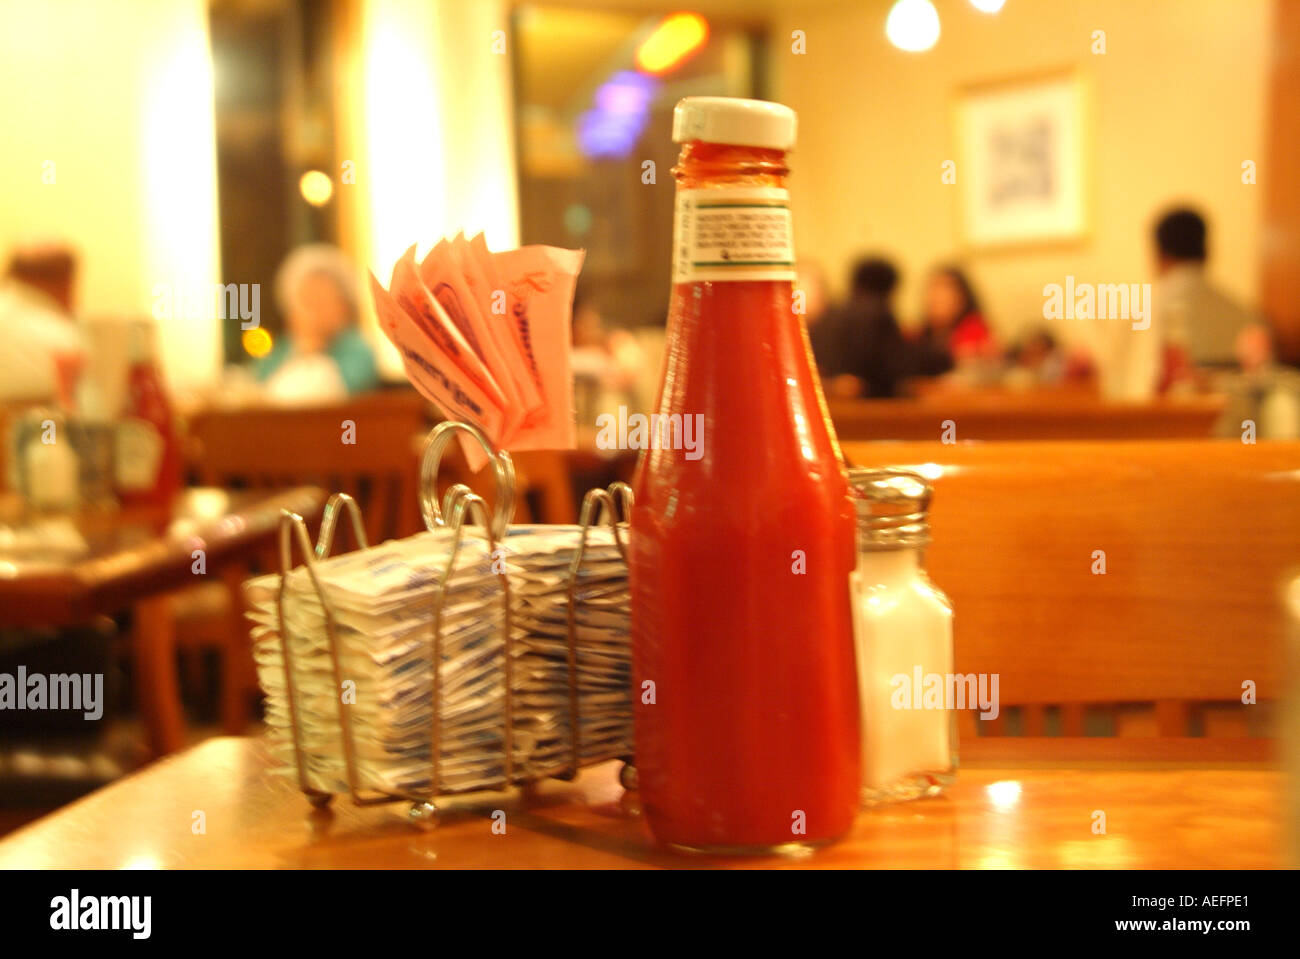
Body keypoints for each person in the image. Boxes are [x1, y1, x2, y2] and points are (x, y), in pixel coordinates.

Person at [255, 244, 378, 403]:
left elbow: (339, 392)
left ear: (344, 307)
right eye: (308, 301)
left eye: (324, 301)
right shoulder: (283, 349)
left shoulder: (357, 348)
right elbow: (263, 388)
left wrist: (313, 353)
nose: (315, 312)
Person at [813, 257, 950, 399]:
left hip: (836, 406)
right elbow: (895, 365)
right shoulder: (878, 313)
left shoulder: (832, 314)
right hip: (871, 406)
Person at [917, 265, 996, 366]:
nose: (936, 296)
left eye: (945, 288)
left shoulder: (974, 329)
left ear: (962, 297)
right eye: (933, 288)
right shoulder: (918, 335)